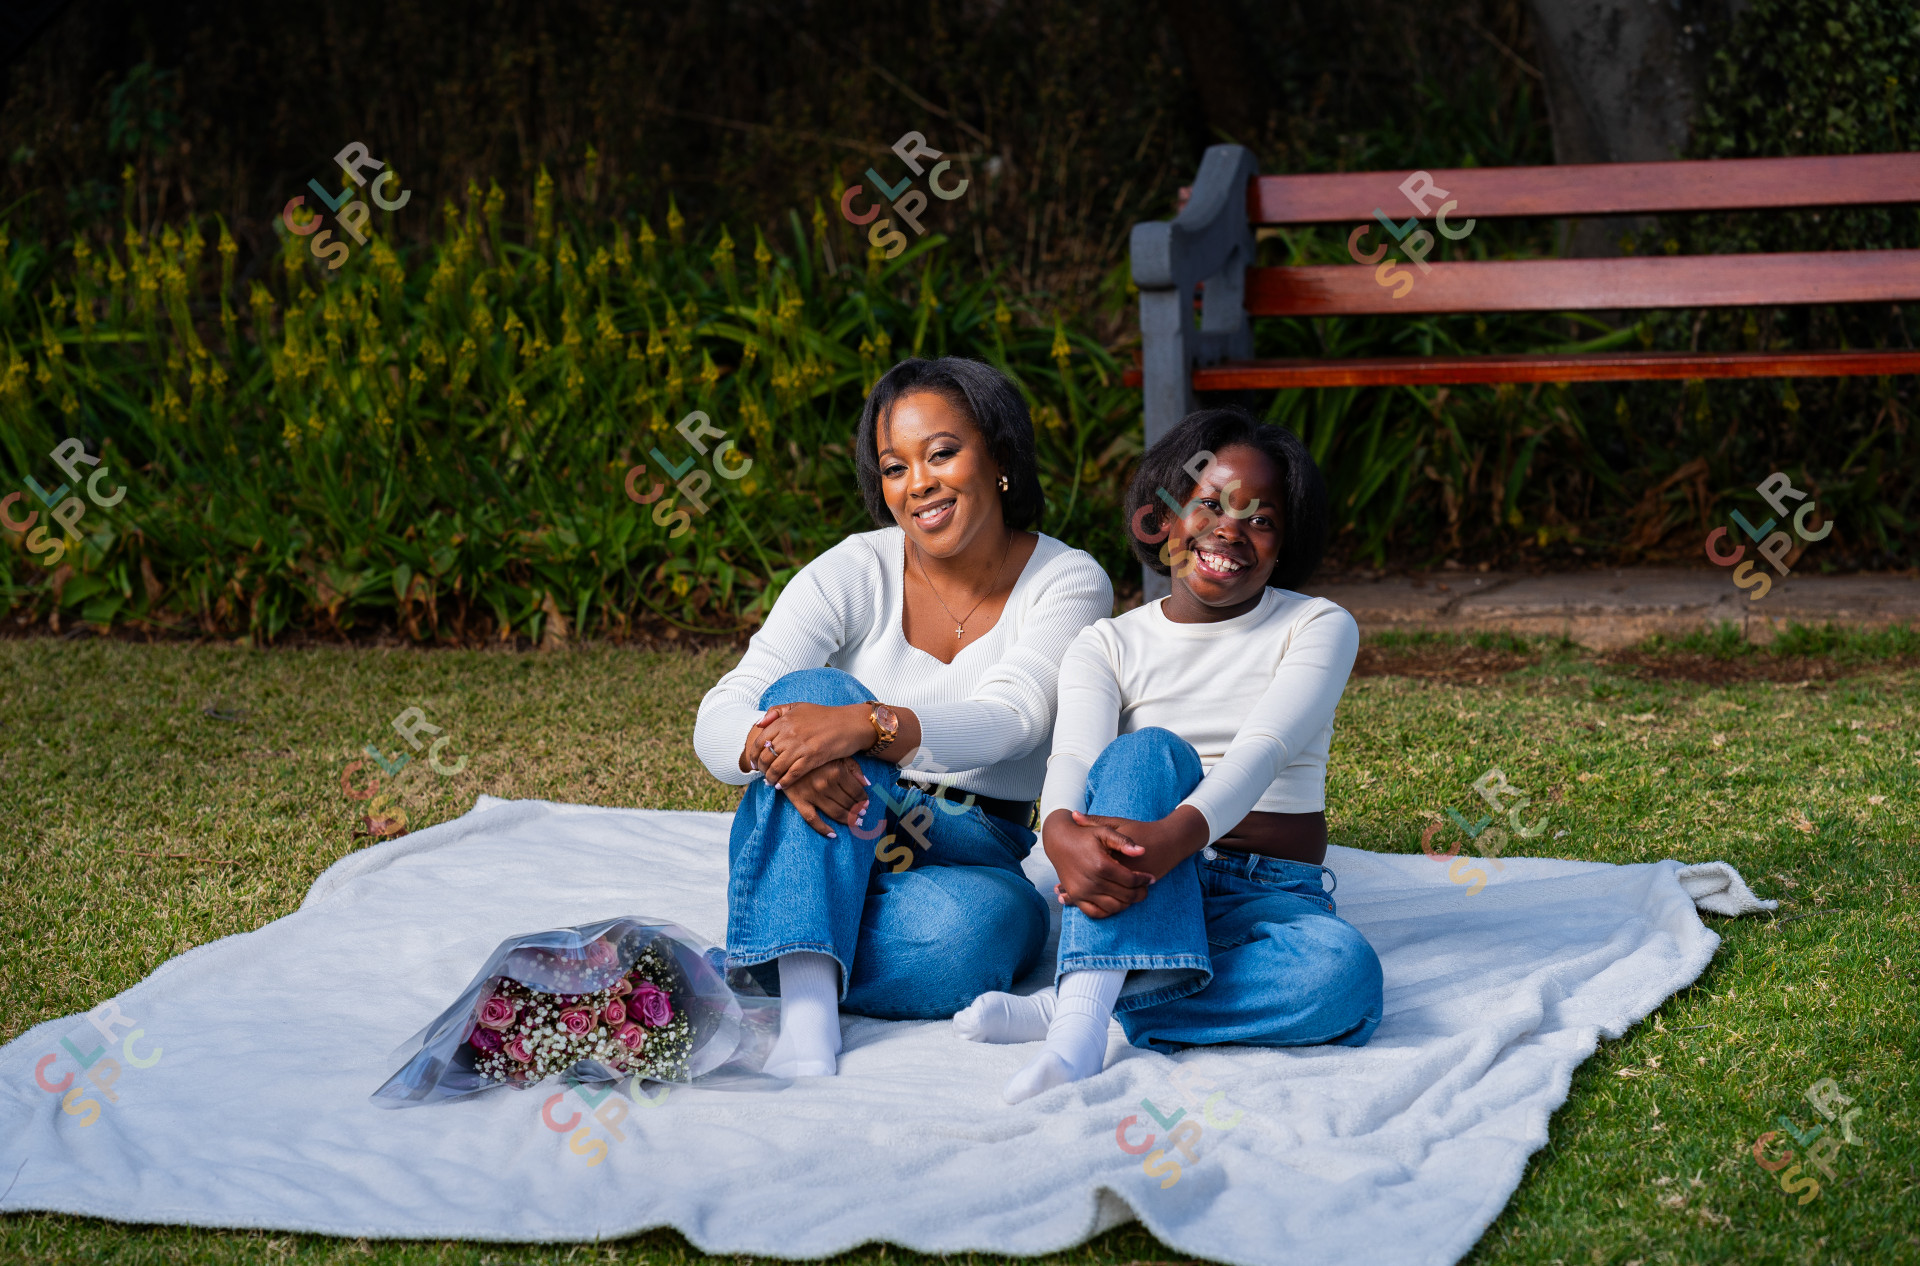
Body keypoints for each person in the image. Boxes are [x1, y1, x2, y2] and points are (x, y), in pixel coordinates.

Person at [692, 356, 1113, 1079]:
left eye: (942, 453)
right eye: (895, 467)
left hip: (971, 842)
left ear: (1000, 455)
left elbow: (1013, 717)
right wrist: (796, 745)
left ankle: (774, 940)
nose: (918, 483)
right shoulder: (854, 569)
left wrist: (867, 726)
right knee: (808, 690)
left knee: (978, 937)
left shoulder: (1067, 579)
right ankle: (807, 1014)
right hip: (840, 809)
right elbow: (718, 718)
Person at [953, 405, 1384, 1103]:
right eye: (1209, 504)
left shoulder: (1317, 625)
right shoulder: (1108, 642)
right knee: (1146, 752)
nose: (1230, 531)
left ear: (1285, 542)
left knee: (1344, 977)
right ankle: (1078, 1038)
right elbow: (1075, 761)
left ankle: (1082, 999)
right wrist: (1059, 827)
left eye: (1262, 519)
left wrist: (1175, 838)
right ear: (1166, 516)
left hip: (1266, 891)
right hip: (1141, 880)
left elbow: (1264, 751)